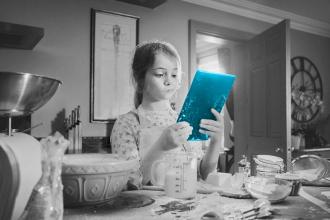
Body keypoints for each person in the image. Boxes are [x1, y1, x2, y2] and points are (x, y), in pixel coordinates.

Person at [110, 40, 224, 189]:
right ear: (140, 79)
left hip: (188, 206)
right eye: (160, 74)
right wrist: (161, 147)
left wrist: (216, 141)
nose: (169, 80)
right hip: (149, 208)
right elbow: (128, 184)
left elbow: (203, 174)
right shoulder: (127, 123)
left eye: (174, 74)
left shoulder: (186, 120)